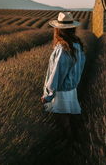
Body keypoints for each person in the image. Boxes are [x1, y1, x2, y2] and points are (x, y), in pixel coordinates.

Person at [40, 11, 86, 141]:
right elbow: (80, 69)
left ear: (58, 30)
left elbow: (56, 73)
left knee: (62, 123)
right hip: (71, 89)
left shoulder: (62, 48)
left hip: (60, 91)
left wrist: (48, 96)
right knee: (69, 121)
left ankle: (68, 145)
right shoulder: (78, 46)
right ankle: (73, 144)